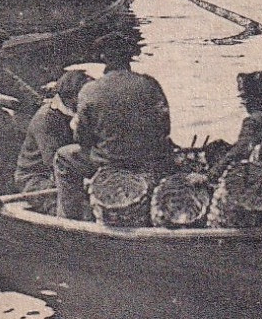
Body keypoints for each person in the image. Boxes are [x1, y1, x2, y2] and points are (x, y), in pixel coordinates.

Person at [52, 30, 176, 221]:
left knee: (63, 157)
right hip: (149, 159)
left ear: (103, 58)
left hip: (110, 162)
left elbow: (82, 139)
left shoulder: (90, 90)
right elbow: (165, 129)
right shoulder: (150, 84)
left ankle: (70, 218)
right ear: (129, 57)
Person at [14, 69, 91, 193]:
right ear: (69, 98)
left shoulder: (72, 113)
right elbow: (54, 162)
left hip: (63, 171)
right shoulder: (45, 120)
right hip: (36, 179)